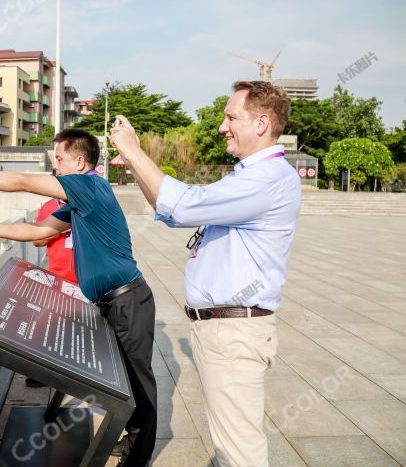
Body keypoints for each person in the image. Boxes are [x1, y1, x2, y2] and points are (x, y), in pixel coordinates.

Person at [109, 81, 301, 467]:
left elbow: (184, 206)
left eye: (232, 117)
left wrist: (134, 149)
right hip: (221, 329)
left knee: (238, 451)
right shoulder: (249, 175)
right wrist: (136, 166)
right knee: (229, 442)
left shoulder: (268, 178)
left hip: (233, 331)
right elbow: (174, 212)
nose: (222, 126)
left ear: (262, 122)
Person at [0, 129, 157, 467]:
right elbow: (38, 233)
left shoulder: (90, 186)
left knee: (139, 386)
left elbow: (23, 180)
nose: (55, 169)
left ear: (80, 162)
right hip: (112, 303)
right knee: (127, 385)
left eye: (59, 160)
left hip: (128, 301)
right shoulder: (79, 201)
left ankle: (138, 458)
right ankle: (133, 443)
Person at [24, 192, 77, 388]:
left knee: (84, 328)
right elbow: (37, 241)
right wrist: (62, 227)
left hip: (87, 277)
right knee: (51, 325)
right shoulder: (49, 207)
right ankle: (46, 373)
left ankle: (79, 372)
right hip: (58, 276)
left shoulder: (87, 201)